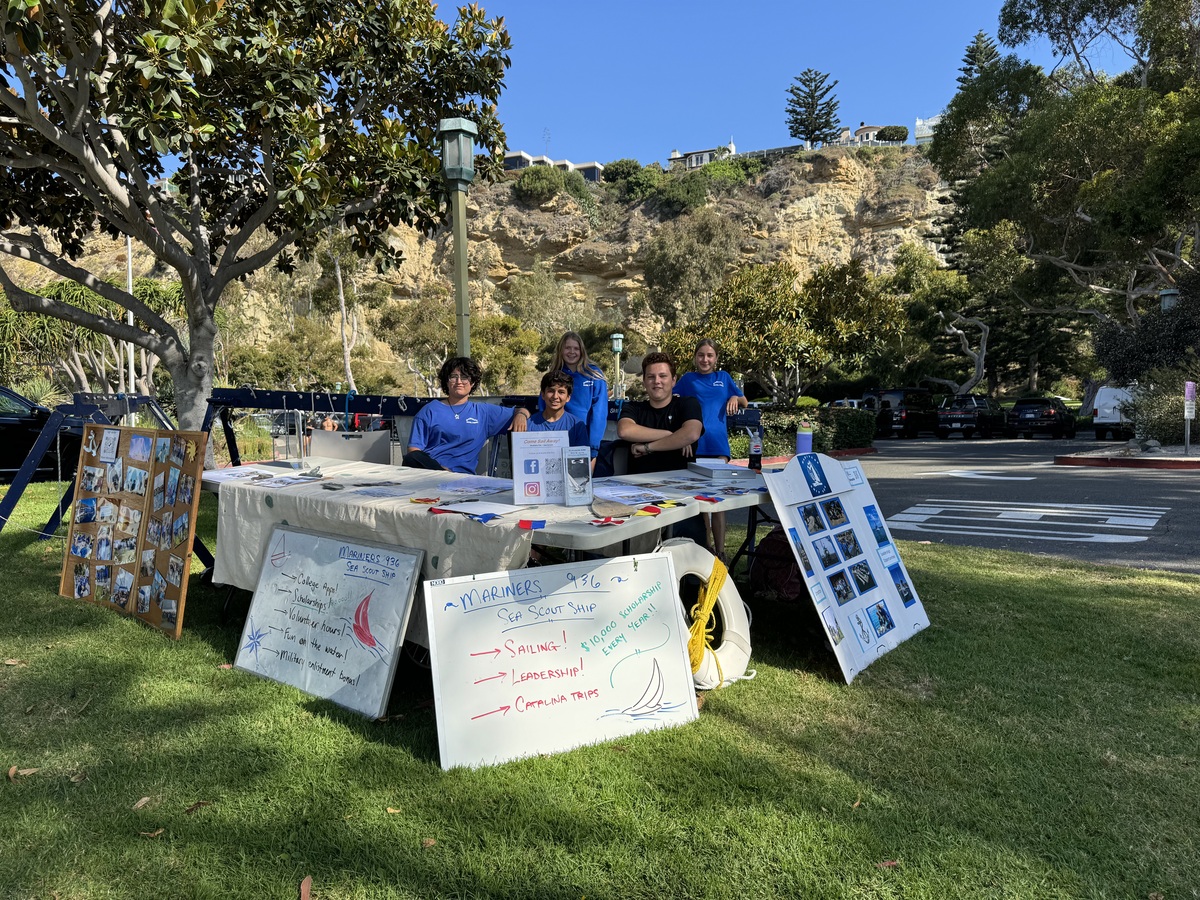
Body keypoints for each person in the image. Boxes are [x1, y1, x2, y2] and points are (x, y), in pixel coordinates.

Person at [674, 338, 748, 560]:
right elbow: (675, 405)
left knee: (718, 501)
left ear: (715, 358)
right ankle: (707, 549)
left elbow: (744, 401)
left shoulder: (723, 378)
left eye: (709, 355)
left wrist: (734, 396)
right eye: (701, 355)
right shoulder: (688, 380)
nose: (705, 359)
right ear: (695, 357)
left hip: (718, 447)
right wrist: (683, 437)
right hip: (695, 446)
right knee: (701, 501)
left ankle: (722, 551)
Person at [404, 356, 529, 473]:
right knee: (411, 457)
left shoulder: (483, 412)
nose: (459, 381)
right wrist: (439, 470)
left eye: (464, 377)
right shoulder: (429, 411)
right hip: (431, 474)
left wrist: (521, 415)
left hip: (463, 479)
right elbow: (414, 450)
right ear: (447, 381)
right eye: (453, 377)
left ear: (473, 382)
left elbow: (521, 410)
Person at [616, 351, 703, 475]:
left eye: (662, 376)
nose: (657, 381)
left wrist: (647, 447)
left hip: (680, 487)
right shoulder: (633, 408)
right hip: (639, 487)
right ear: (644, 382)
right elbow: (624, 431)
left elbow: (691, 434)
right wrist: (671, 435)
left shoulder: (687, 404)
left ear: (673, 380)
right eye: (651, 377)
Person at [544, 331, 608, 458]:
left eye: (576, 348)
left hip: (584, 438)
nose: (572, 352)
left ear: (582, 351)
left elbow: (599, 411)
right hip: (557, 439)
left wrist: (593, 444)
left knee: (581, 478)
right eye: (568, 348)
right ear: (561, 350)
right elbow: (544, 407)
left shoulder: (594, 374)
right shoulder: (553, 375)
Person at [527, 371, 590, 446]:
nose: (555, 396)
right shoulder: (529, 424)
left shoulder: (577, 426)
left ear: (568, 397)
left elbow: (582, 456)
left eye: (561, 392)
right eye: (551, 391)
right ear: (543, 395)